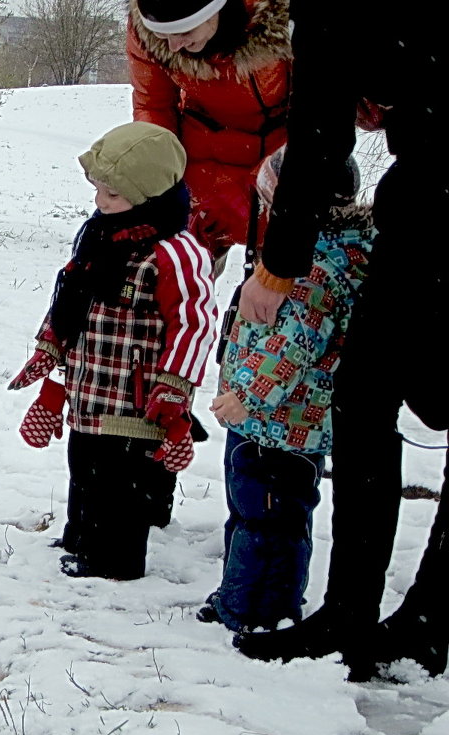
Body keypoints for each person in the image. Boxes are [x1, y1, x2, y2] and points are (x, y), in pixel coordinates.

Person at [234, 2, 449, 679]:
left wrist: (277, 266)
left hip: (436, 209)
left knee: (364, 398)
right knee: (366, 396)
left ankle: (373, 614)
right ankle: (403, 617)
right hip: (430, 202)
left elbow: (319, 134)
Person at [9, 121, 218, 581]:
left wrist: (174, 386)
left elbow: (195, 324)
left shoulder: (174, 253)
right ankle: (81, 538)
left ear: (149, 196)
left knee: (120, 481)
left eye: (114, 195)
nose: (101, 203)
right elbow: (69, 297)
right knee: (84, 466)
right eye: (98, 190)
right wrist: (51, 348)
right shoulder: (100, 238)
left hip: (137, 398)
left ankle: (114, 561)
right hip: (90, 387)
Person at [200, 147, 370, 632]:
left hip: (282, 422)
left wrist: (246, 395)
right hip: (277, 422)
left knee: (269, 519)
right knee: (253, 511)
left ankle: (261, 608)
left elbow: (291, 346)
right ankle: (239, 593)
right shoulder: (317, 252)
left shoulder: (312, 268)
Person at [127, 0, 291, 270]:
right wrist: (158, 184)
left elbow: (313, 125)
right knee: (168, 275)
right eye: (161, 35)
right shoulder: (146, 29)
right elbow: (153, 107)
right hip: (197, 160)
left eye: (183, 32)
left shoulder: (286, 25)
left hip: (279, 166)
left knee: (277, 289)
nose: (172, 46)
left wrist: (254, 193)